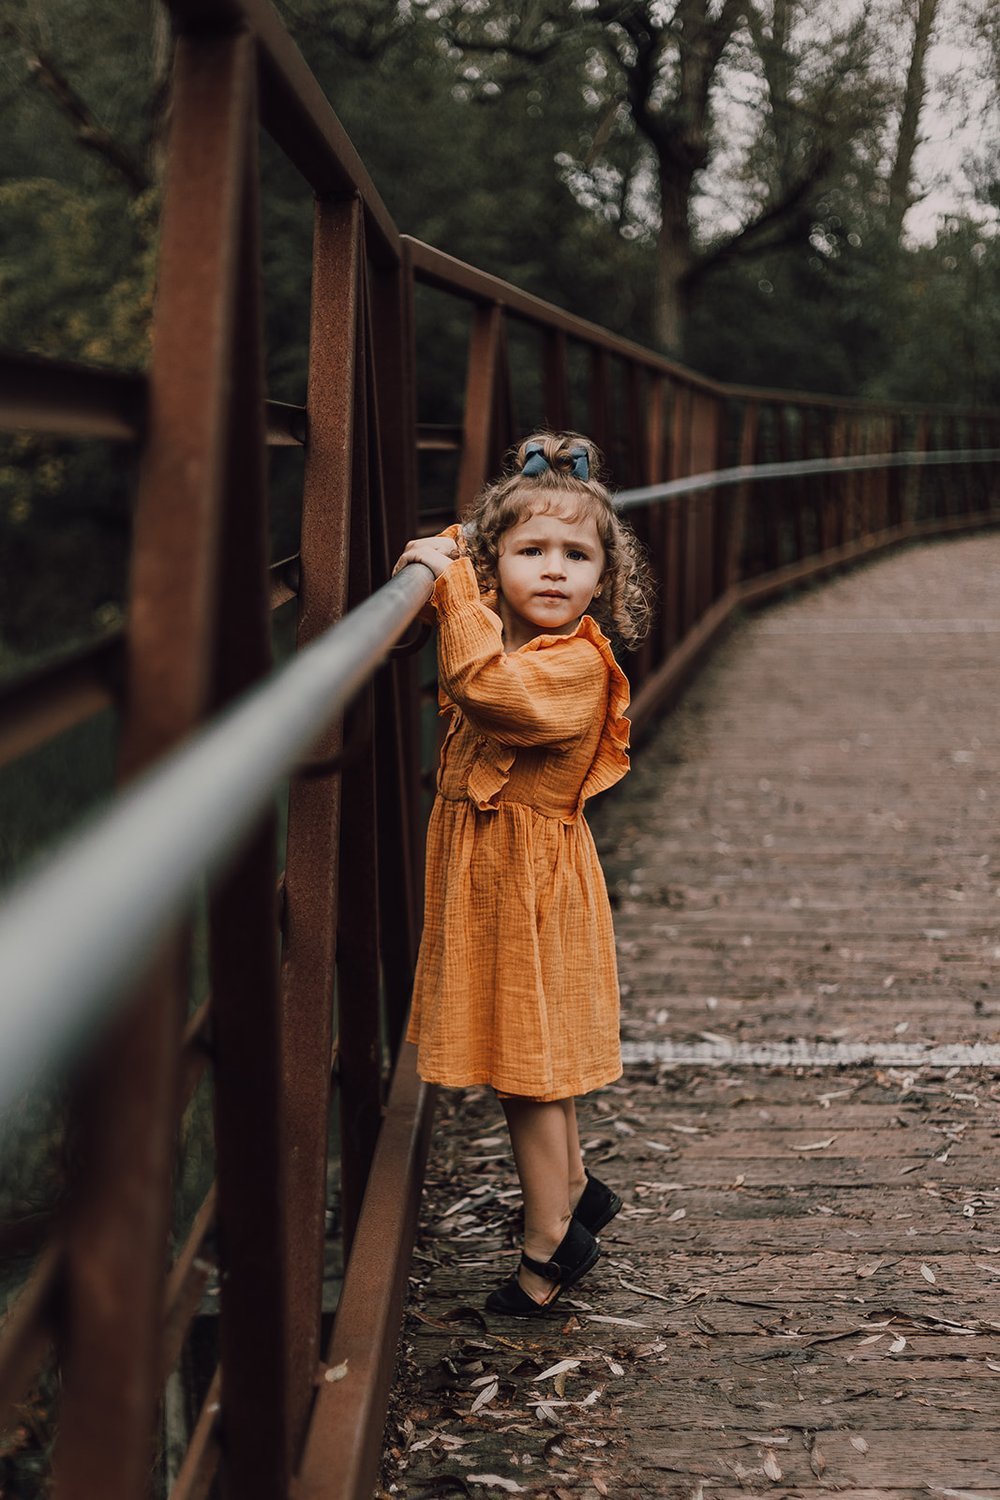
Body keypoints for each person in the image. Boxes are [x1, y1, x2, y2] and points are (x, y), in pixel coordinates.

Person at [392, 431, 653, 1316]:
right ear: (497, 559)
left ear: (604, 580)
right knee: (529, 1051)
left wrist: (454, 583)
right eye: (530, 551)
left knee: (528, 1068)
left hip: (530, 882)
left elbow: (488, 691)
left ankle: (550, 1243)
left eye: (576, 556)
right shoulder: (510, 642)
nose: (553, 571)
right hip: (498, 873)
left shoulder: (575, 665)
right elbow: (472, 666)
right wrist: (434, 587)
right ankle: (573, 1191)